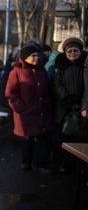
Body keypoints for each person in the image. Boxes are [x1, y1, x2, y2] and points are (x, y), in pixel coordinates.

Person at [5, 45, 54, 174]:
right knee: (28, 139)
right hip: (26, 113)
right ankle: (26, 162)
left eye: (37, 55)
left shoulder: (41, 70)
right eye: (33, 56)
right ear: (25, 57)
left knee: (41, 139)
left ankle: (39, 164)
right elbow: (10, 92)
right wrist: (20, 108)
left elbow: (48, 89)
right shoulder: (16, 72)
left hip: (41, 112)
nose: (36, 58)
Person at [52, 37, 87, 173]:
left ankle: (79, 164)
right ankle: (63, 163)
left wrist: (81, 103)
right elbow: (56, 83)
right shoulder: (60, 65)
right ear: (65, 53)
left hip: (82, 107)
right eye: (70, 51)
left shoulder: (84, 64)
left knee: (81, 136)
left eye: (76, 50)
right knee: (64, 136)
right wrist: (69, 101)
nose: (73, 53)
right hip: (64, 107)